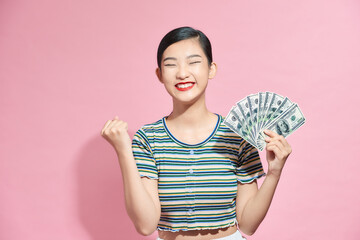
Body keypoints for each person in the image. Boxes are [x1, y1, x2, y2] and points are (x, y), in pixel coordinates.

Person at [101, 27, 292, 240]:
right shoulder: (148, 139)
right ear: (160, 74)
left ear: (211, 69)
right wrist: (123, 150)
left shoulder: (237, 137)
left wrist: (274, 172)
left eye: (193, 62)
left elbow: (248, 224)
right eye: (171, 64)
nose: (182, 73)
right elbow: (146, 225)